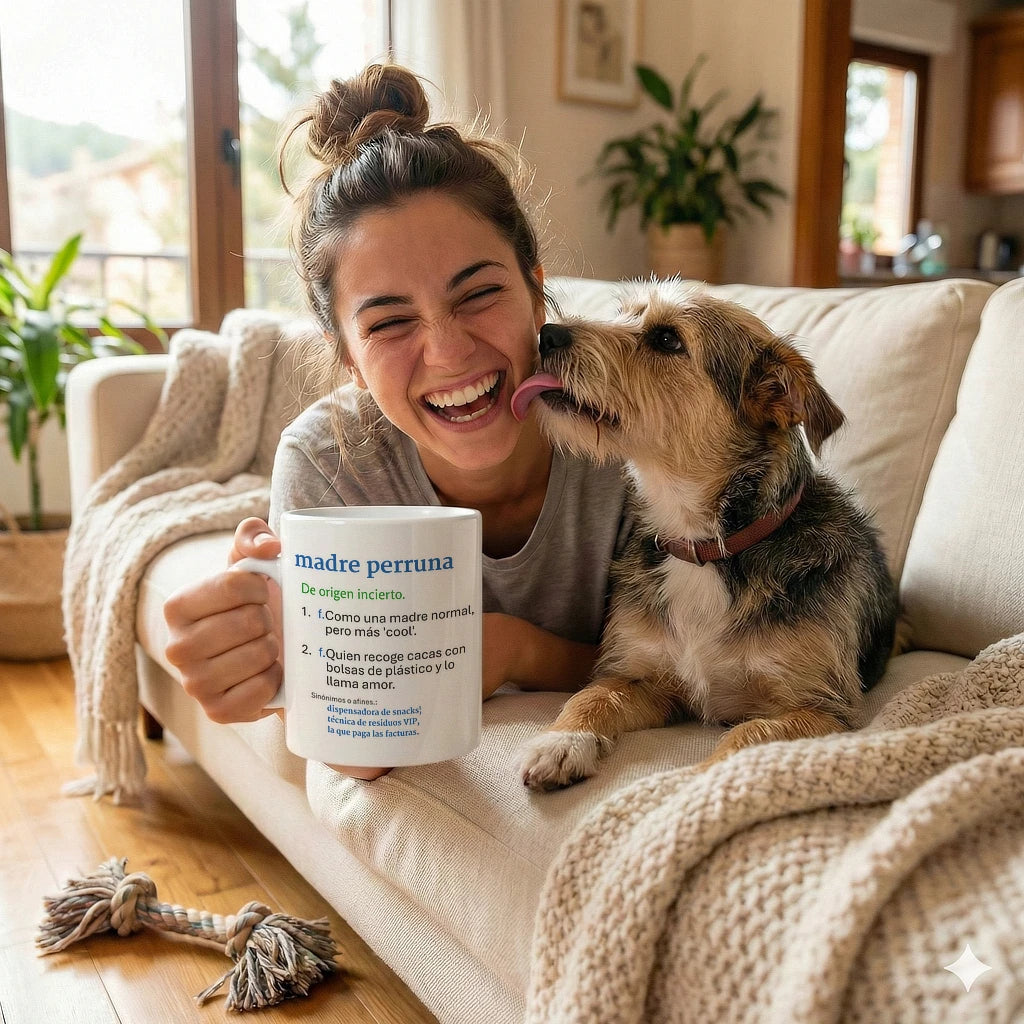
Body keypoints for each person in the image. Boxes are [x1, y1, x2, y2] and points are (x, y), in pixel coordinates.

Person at [163, 63, 633, 780]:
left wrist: (510, 649)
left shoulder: (632, 442)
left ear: (537, 293)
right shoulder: (325, 461)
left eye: (477, 294)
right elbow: (354, 758)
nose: (447, 352)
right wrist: (272, 665)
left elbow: (697, 667)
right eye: (388, 322)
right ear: (345, 355)